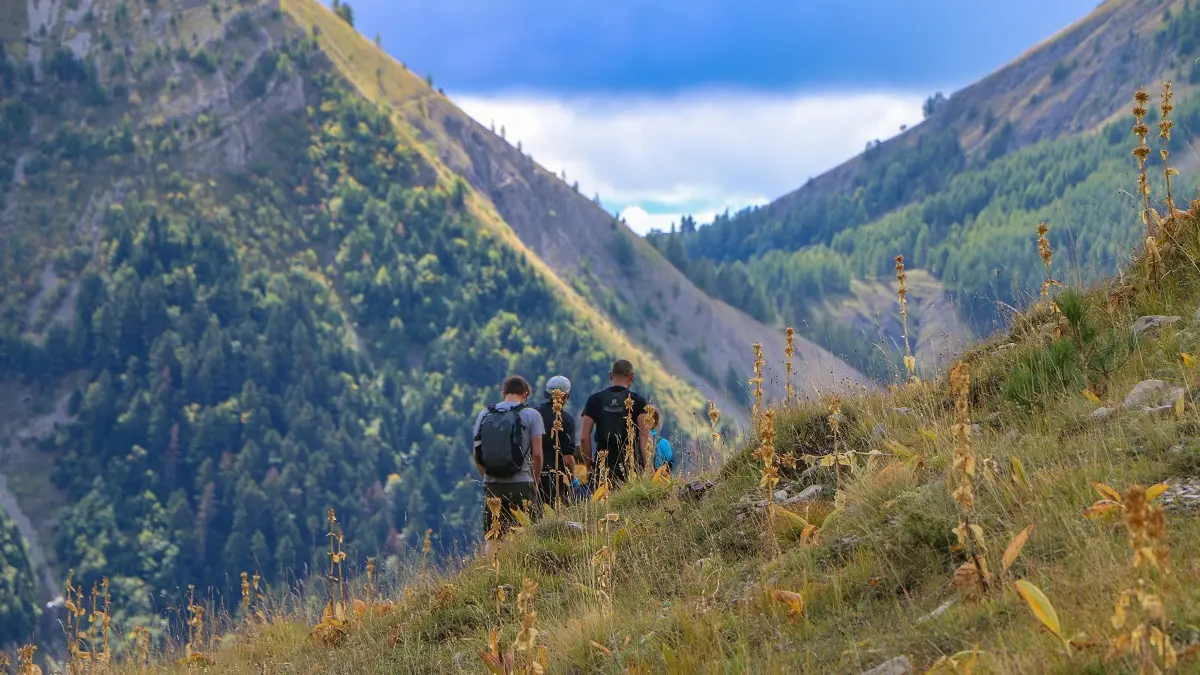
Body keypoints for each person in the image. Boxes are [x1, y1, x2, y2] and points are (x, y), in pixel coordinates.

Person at [472, 375, 544, 538]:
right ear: (526, 393)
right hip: (522, 483)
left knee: (494, 536)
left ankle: (494, 563)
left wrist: (487, 476)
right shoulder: (532, 415)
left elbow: (477, 453)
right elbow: (538, 455)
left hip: (493, 484)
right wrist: (535, 482)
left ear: (504, 391)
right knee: (528, 534)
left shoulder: (484, 414)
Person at [581, 359, 651, 485]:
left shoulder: (594, 400)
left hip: (603, 465)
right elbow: (644, 437)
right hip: (632, 466)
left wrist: (588, 466)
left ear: (610, 375)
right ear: (631, 377)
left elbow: (584, 438)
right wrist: (648, 468)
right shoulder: (638, 401)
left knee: (603, 502)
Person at [534, 375, 578, 508]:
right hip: (556, 481)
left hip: (533, 477)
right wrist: (572, 478)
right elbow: (567, 457)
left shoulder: (534, 415)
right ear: (565, 397)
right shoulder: (566, 419)